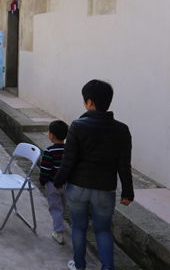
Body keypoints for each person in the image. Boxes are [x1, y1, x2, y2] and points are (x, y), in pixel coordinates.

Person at [53, 80, 134, 270]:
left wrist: (58, 181)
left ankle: (79, 265)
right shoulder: (122, 130)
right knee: (103, 229)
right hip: (105, 189)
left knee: (79, 227)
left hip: (77, 187)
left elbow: (68, 160)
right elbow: (124, 165)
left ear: (89, 102)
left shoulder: (77, 126)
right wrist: (127, 192)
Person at [39, 120, 69, 245]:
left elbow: (45, 169)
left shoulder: (49, 151)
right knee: (63, 205)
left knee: (55, 208)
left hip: (53, 185)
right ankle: (61, 224)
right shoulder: (69, 150)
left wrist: (42, 182)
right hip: (68, 185)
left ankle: (59, 234)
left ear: (51, 135)